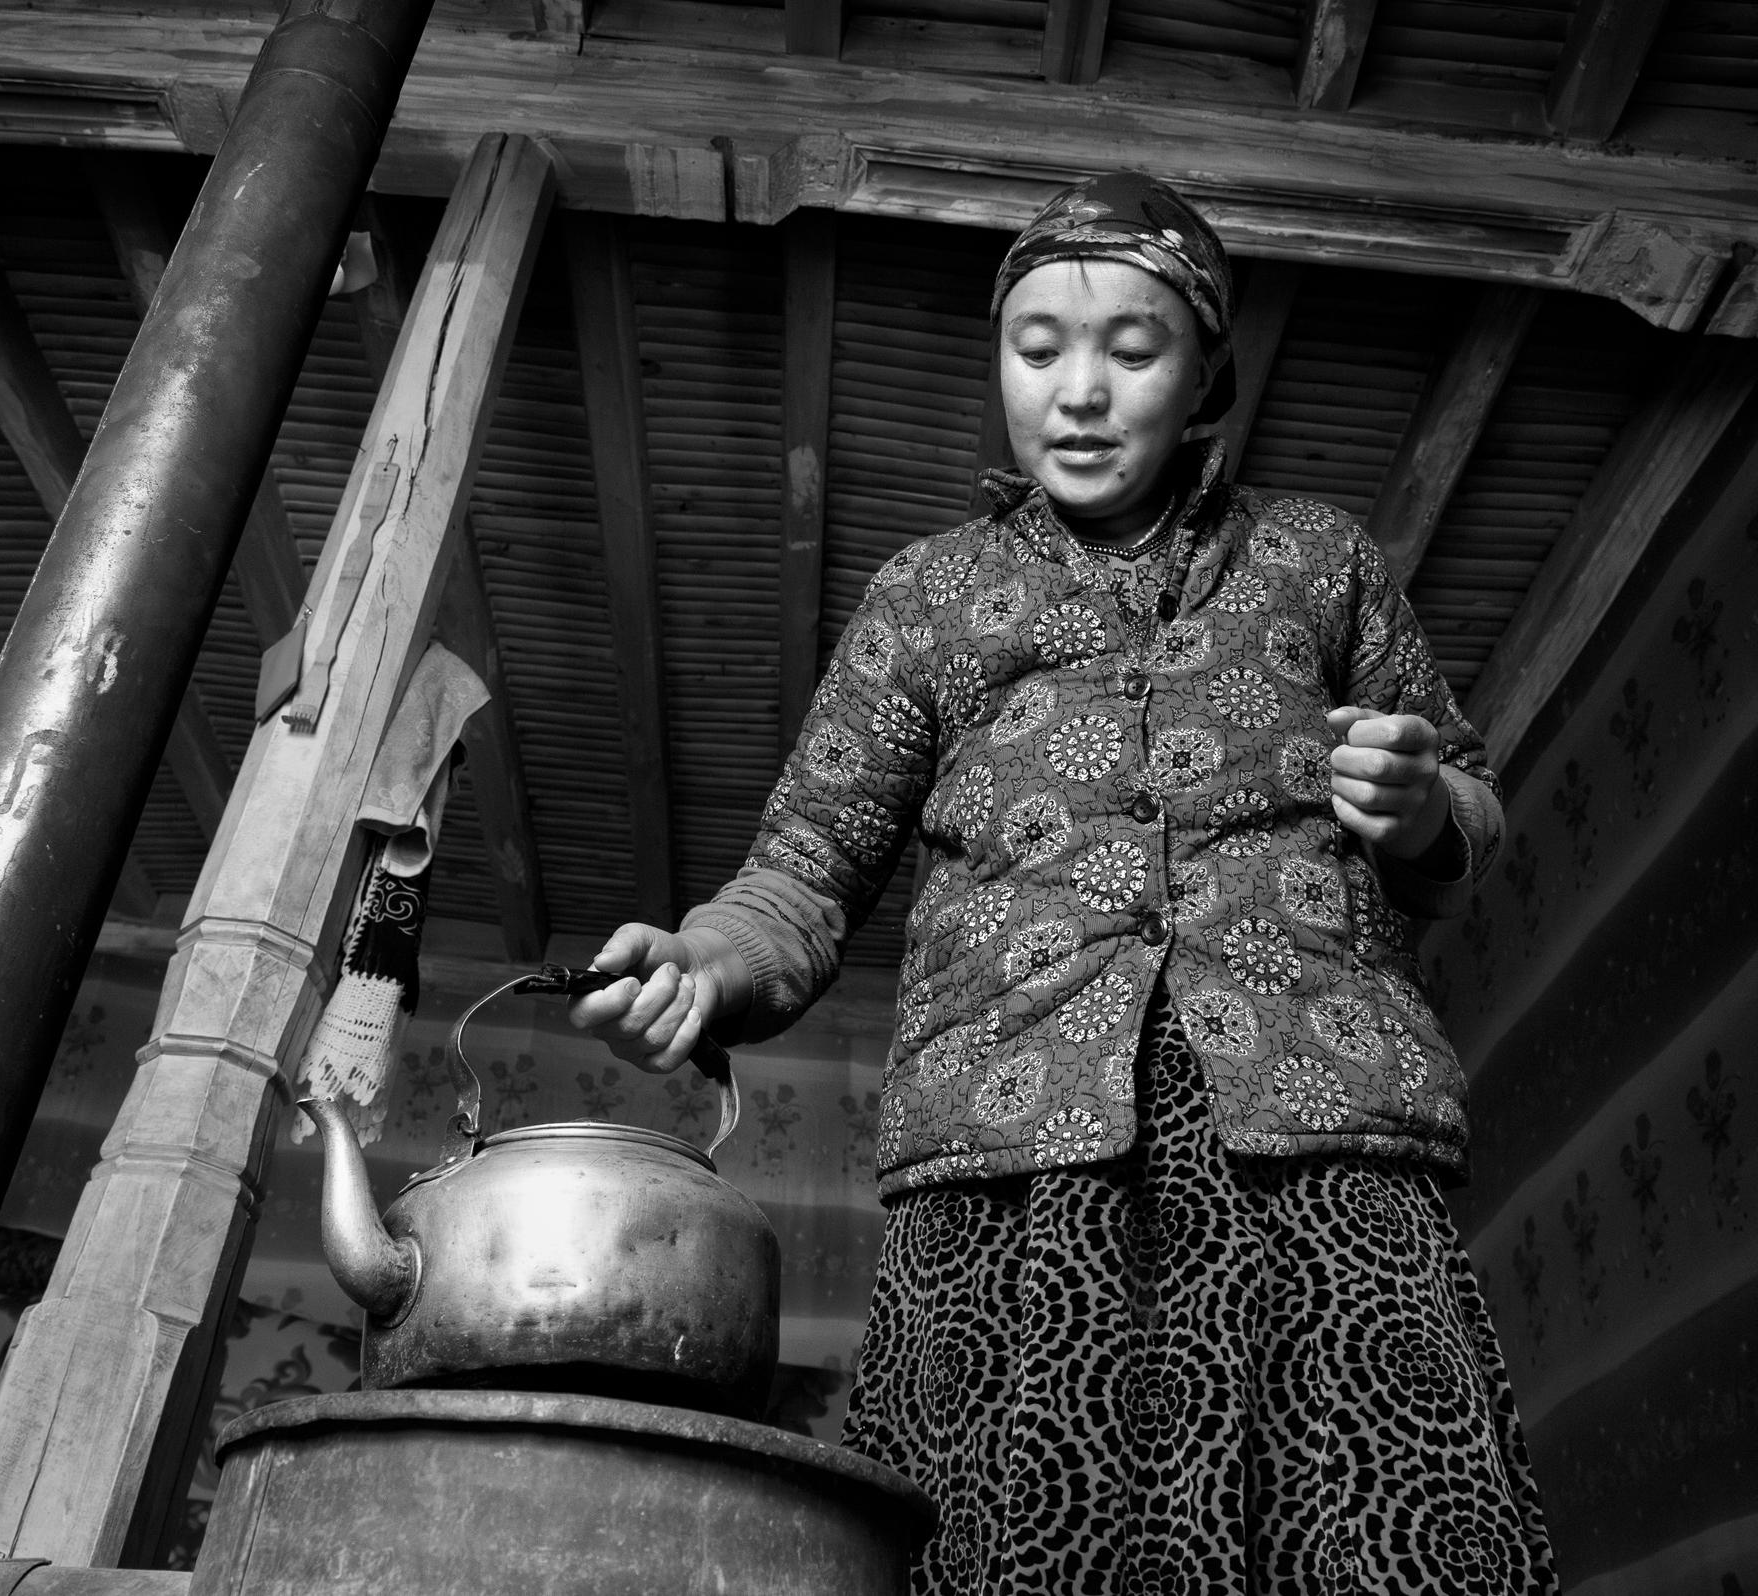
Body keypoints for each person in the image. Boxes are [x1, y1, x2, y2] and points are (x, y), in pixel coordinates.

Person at [568, 173, 1555, 1595]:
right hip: (1012, 1160)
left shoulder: (1319, 559)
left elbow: (1470, 804)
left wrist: (1419, 810)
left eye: (1131, 350)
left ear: (1205, 372)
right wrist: (702, 965)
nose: (1078, 392)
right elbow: (801, 872)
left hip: (1320, 1140)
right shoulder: (926, 597)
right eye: (1037, 350)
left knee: (1383, 1536)